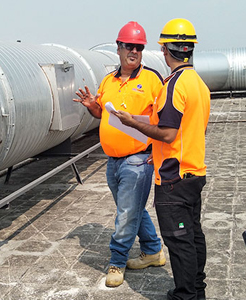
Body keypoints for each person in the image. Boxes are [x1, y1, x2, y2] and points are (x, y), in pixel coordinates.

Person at [113, 18, 210, 300]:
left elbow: (167, 134)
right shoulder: (199, 84)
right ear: (190, 49)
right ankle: (196, 289)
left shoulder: (173, 86)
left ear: (166, 50)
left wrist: (131, 123)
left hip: (173, 179)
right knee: (193, 236)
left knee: (179, 242)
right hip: (194, 173)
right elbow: (194, 129)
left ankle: (186, 295)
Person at [73, 21, 165, 288]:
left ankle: (117, 260)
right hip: (112, 161)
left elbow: (164, 121)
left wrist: (157, 152)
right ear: (119, 48)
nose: (134, 51)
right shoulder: (108, 80)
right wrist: (93, 107)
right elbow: (104, 115)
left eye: (138, 47)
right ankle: (152, 250)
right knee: (133, 210)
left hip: (138, 159)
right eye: (129, 46)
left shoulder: (152, 80)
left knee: (126, 214)